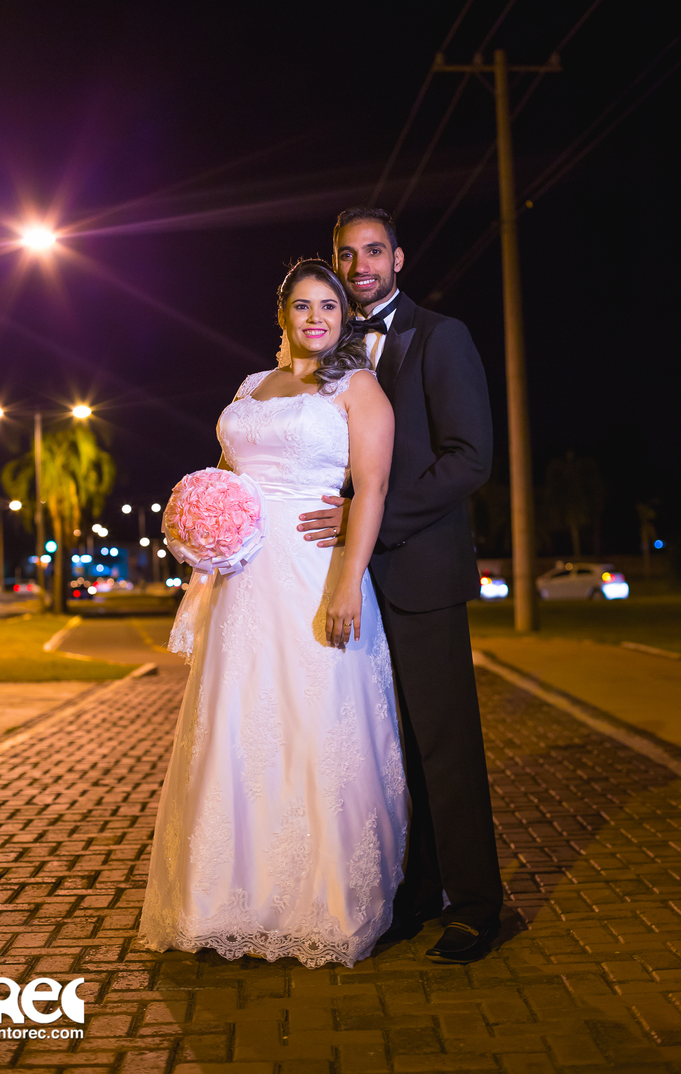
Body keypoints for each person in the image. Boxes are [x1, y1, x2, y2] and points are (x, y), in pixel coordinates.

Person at [139, 259, 408, 968]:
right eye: (302, 306)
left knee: (314, 719)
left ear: (344, 317)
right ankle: (225, 900)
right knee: (236, 720)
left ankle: (316, 902)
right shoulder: (251, 388)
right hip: (243, 580)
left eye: (329, 306)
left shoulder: (359, 388)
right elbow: (229, 476)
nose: (316, 317)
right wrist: (204, 528)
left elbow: (372, 491)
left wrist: (349, 581)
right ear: (282, 314)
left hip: (315, 570)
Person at [298, 207, 502, 963]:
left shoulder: (440, 338)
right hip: (345, 583)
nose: (359, 268)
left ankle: (478, 906)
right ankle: (413, 896)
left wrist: (365, 521)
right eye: (346, 255)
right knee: (384, 748)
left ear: (399, 259)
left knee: (444, 746)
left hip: (419, 570)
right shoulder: (327, 350)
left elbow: (469, 458)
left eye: (373, 252)